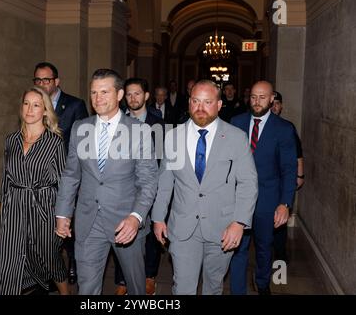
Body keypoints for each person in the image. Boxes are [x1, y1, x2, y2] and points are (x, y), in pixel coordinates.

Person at [55, 69, 158, 295]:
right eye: (93, 93)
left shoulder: (139, 130)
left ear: (120, 95)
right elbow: (71, 174)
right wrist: (63, 213)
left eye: (104, 92)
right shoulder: (80, 128)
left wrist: (136, 217)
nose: (97, 98)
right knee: (87, 287)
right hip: (88, 221)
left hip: (126, 222)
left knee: (135, 286)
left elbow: (148, 180)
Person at [151, 80, 258, 295]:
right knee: (182, 287)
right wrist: (158, 217)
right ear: (189, 103)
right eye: (195, 101)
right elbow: (165, 181)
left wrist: (239, 222)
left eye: (207, 102)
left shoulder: (237, 138)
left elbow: (248, 183)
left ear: (219, 105)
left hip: (222, 227)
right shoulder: (173, 137)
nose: (200, 108)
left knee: (214, 286)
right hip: (182, 226)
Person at [0, 86, 69, 295]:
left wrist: (64, 217)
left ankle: (65, 293)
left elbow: (64, 183)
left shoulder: (54, 142)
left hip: (44, 208)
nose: (30, 109)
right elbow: (5, 176)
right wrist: (3, 206)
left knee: (49, 259)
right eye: (26, 104)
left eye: (36, 105)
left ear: (45, 111)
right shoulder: (11, 140)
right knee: (10, 261)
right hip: (14, 208)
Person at [229, 81, 297, 295]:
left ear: (271, 100)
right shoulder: (236, 122)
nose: (257, 101)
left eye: (262, 97)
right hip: (237, 198)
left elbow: (288, 169)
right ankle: (238, 290)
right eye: (253, 97)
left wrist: (285, 203)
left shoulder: (284, 129)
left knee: (264, 246)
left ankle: (263, 283)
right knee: (236, 247)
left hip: (267, 199)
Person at [33, 62, 89, 284]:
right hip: (40, 177)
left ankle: (73, 263)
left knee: (67, 223)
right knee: (45, 225)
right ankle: (49, 269)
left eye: (46, 80)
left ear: (56, 81)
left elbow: (84, 144)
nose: (42, 84)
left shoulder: (74, 105)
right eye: (38, 80)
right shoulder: (32, 104)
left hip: (67, 176)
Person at [113, 77, 165, 295]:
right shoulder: (117, 121)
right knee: (120, 230)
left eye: (137, 93)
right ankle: (122, 280)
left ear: (146, 96)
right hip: (123, 189)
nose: (133, 98)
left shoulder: (158, 123)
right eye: (129, 94)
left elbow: (162, 160)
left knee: (151, 236)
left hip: (149, 187)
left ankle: (149, 276)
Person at [271, 90, 305, 262]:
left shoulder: (288, 127)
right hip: (265, 180)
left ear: (281, 106)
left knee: (281, 216)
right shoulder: (260, 127)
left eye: (277, 103)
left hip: (283, 180)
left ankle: (280, 255)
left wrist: (300, 175)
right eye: (272, 103)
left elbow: (298, 153)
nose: (274, 107)